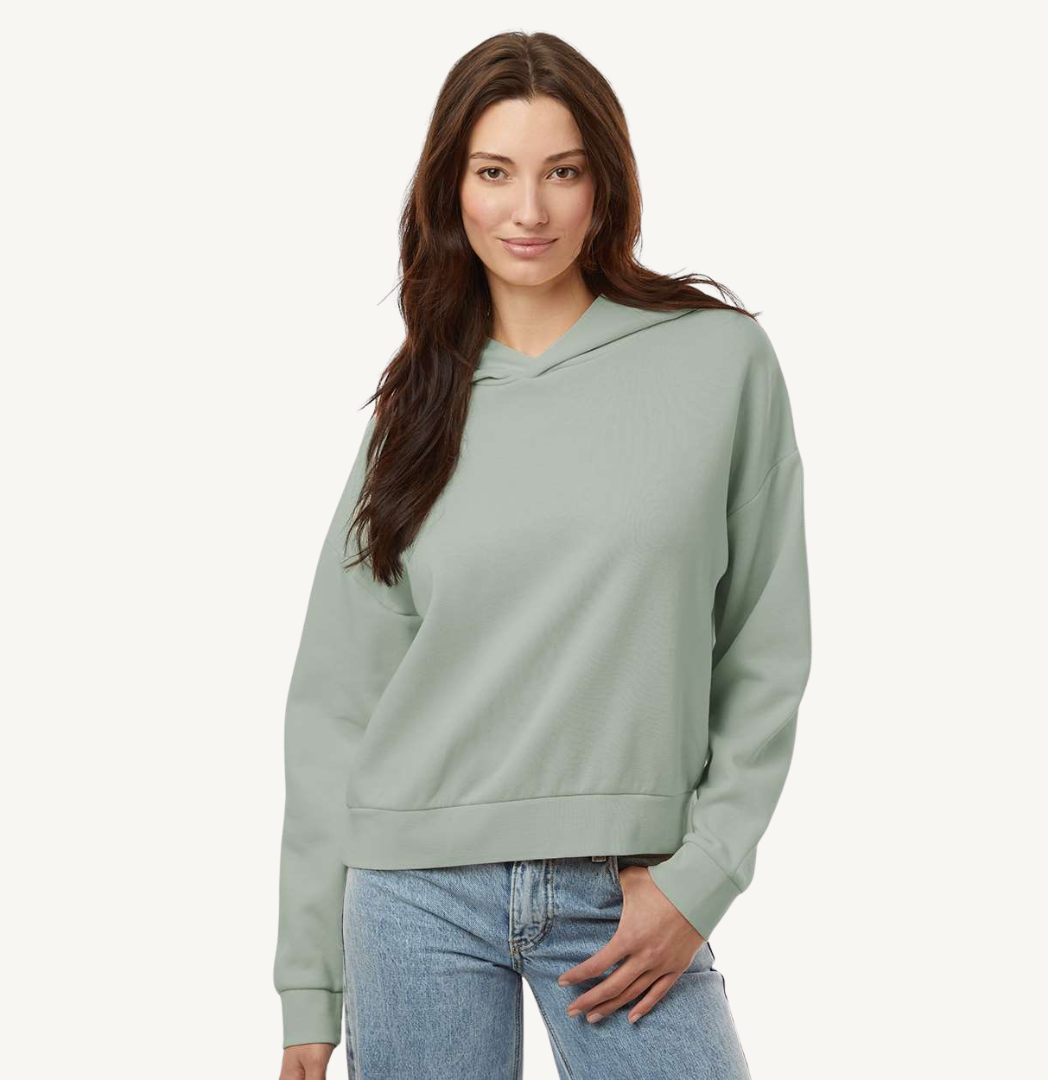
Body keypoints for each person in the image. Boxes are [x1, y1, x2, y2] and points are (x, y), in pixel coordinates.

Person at [274, 30, 812, 1080]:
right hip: (411, 897)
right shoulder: (416, 407)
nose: (529, 210)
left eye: (562, 172)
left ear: (605, 185)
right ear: (451, 189)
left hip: (626, 893)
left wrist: (702, 876)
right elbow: (336, 703)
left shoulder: (717, 360)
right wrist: (309, 986)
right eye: (494, 173)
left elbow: (764, 644)